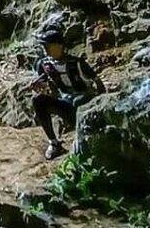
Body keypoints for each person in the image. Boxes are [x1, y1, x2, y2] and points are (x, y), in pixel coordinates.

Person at [29, 29, 106, 160]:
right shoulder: (45, 65)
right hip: (67, 103)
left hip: (86, 103)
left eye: (48, 46)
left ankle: (90, 137)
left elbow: (97, 82)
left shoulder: (77, 63)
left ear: (59, 46)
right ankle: (54, 143)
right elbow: (43, 82)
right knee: (38, 100)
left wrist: (102, 102)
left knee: (78, 102)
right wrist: (38, 86)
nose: (45, 49)